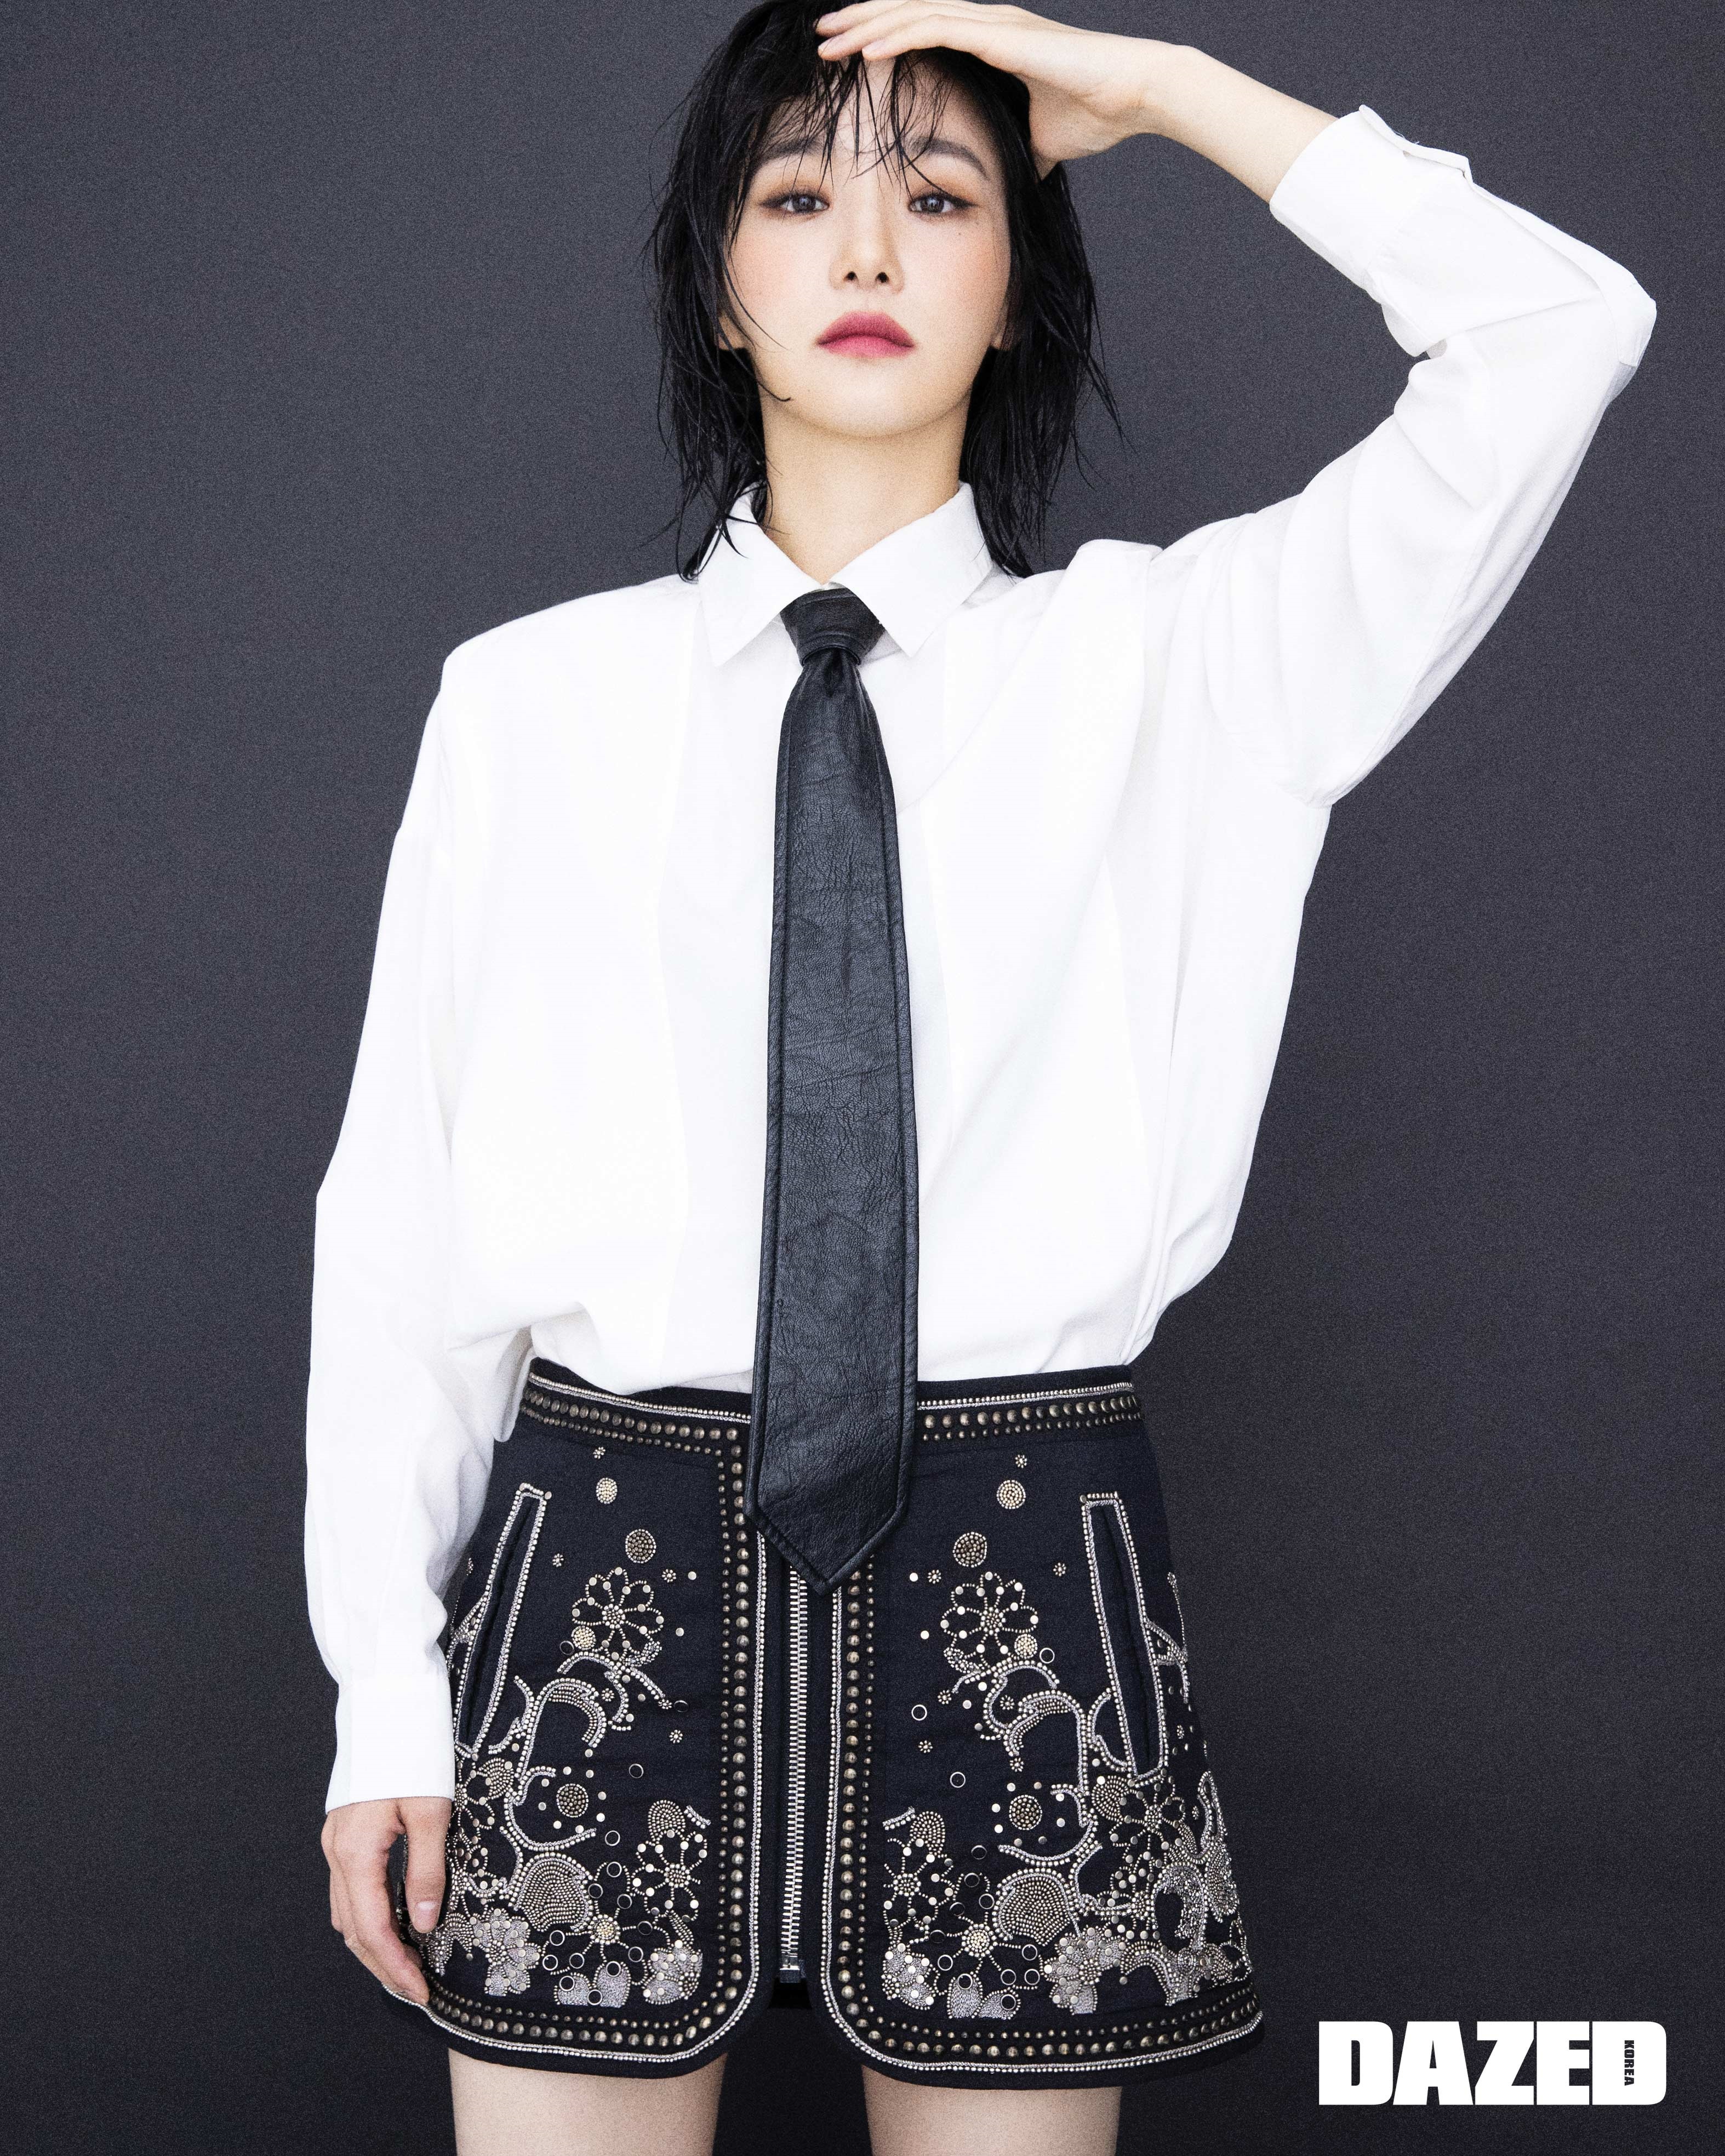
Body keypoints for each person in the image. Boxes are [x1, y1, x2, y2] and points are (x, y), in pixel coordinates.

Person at [305, 4, 1655, 2152]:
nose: (864, 248)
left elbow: (1558, 332)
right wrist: (386, 1684)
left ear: (1018, 284)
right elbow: (401, 1231)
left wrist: (1167, 97)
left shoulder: (1183, 667)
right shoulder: (524, 705)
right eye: (796, 196)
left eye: (937, 197)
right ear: (715, 285)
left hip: (1024, 1597)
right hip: (599, 1600)